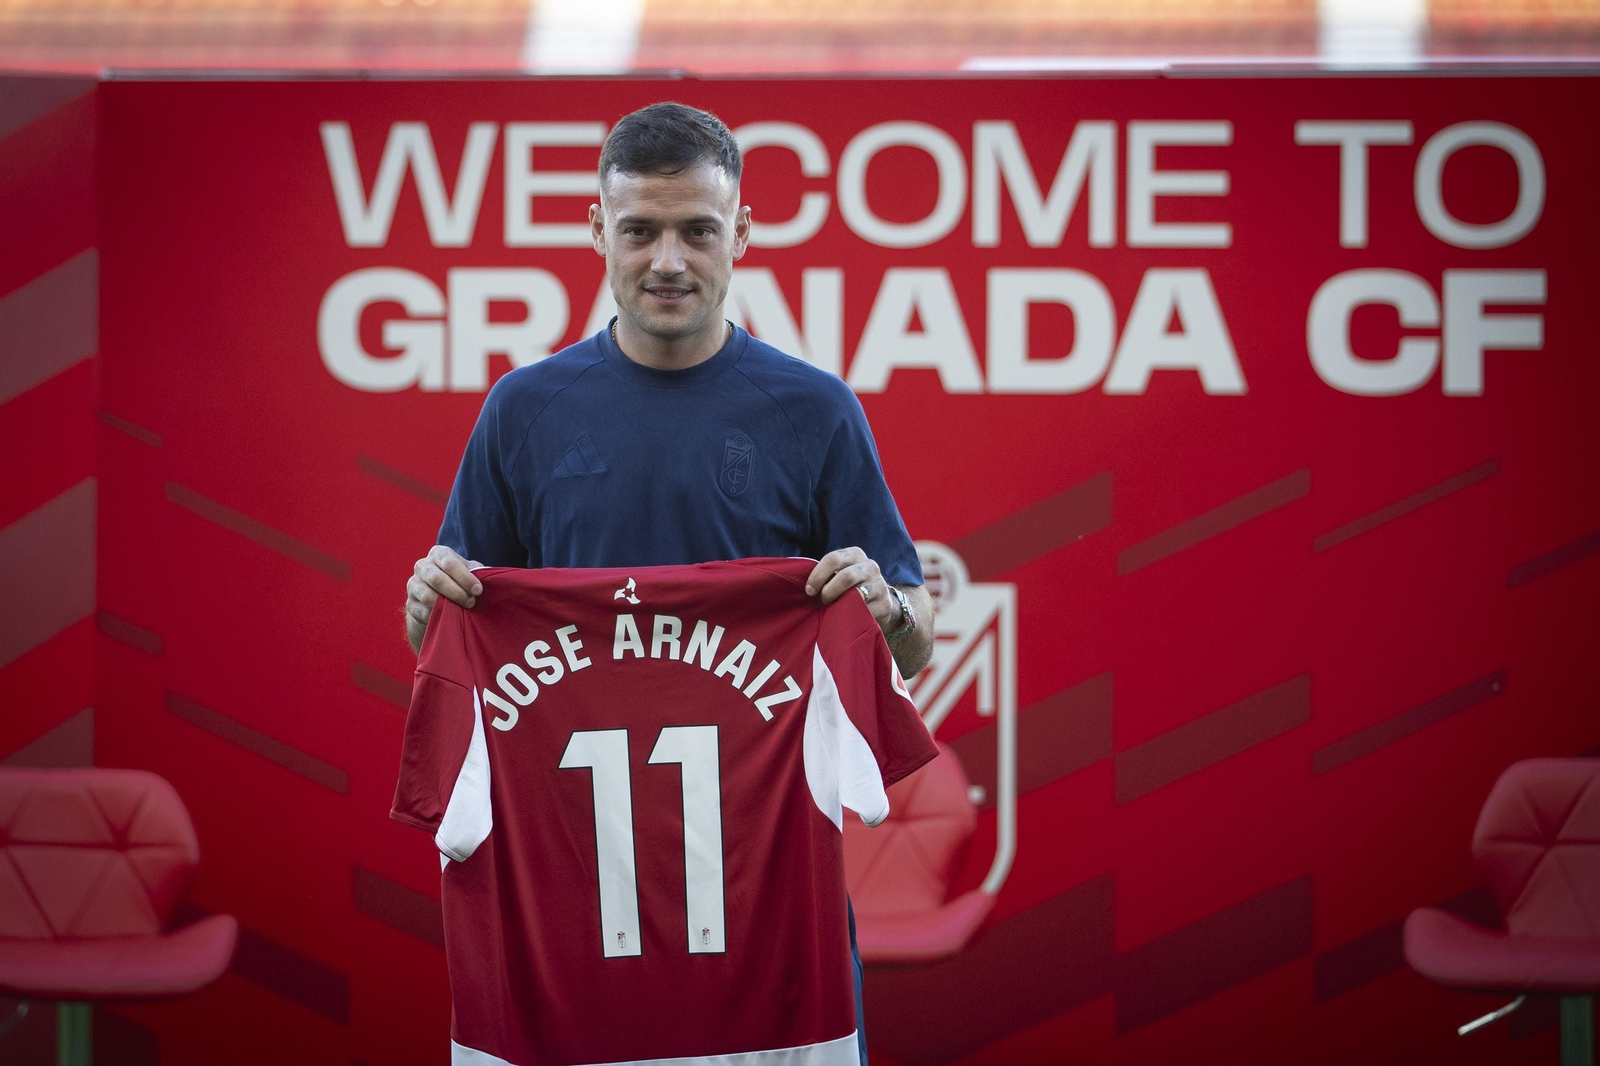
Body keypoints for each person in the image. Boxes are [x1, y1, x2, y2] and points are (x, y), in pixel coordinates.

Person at [402, 100, 934, 1065]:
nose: (669, 261)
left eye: (697, 230)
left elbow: (913, 636)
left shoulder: (813, 410)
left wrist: (887, 606)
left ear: (741, 233)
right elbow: (459, 640)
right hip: (571, 897)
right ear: (598, 229)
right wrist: (427, 609)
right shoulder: (525, 410)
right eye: (641, 230)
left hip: (764, 902)